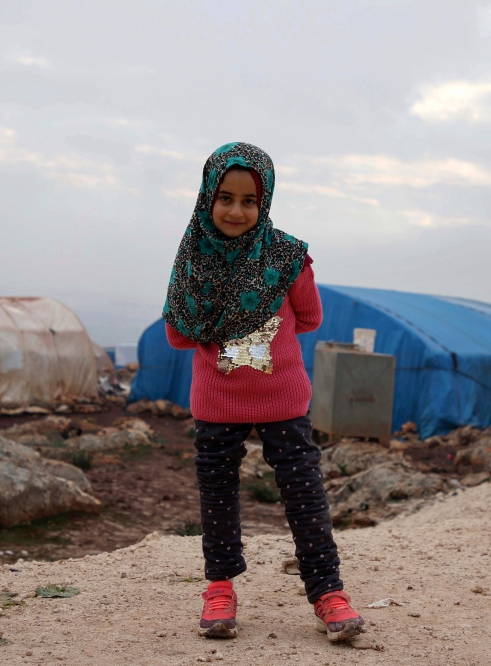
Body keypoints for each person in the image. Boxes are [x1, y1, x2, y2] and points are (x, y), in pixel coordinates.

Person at [163, 142, 365, 642]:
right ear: (207, 197)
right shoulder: (193, 258)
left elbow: (313, 315)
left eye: (249, 201)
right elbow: (176, 333)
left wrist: (237, 325)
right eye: (225, 198)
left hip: (283, 401)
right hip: (216, 402)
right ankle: (219, 588)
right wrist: (257, 323)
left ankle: (327, 593)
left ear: (265, 202)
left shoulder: (288, 256)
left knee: (304, 496)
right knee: (218, 496)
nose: (236, 210)